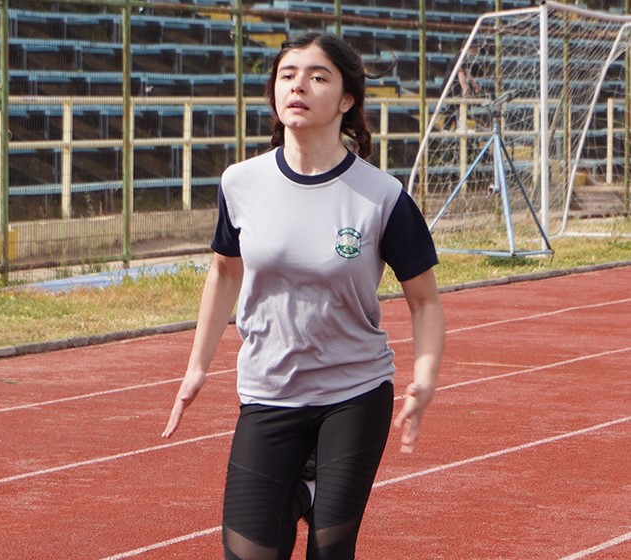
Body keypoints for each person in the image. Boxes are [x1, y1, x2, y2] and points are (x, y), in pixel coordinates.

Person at [163, 31, 445, 560]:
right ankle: (301, 484)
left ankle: (314, 486)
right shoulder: (240, 183)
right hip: (268, 391)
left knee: (329, 550)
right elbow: (225, 272)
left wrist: (424, 379)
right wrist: (197, 365)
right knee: (247, 552)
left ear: (345, 100)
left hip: (354, 393)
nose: (299, 86)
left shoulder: (381, 196)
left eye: (318, 77)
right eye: (287, 75)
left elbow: (425, 301)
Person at [441, 38, 481, 130]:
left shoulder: (463, 57)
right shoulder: (460, 58)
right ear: (469, 47)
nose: (477, 50)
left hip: (453, 87)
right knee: (456, 107)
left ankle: (449, 128)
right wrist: (465, 88)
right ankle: (455, 127)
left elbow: (466, 72)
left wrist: (474, 84)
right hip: (450, 87)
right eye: (475, 48)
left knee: (453, 108)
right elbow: (460, 74)